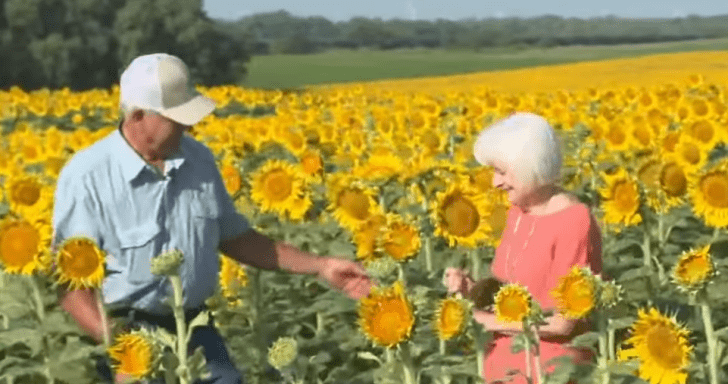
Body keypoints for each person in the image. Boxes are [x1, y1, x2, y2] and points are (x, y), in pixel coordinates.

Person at [51, 53, 372, 384]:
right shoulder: (87, 175)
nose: (189, 125)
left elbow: (235, 238)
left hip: (195, 327)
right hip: (130, 331)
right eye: (176, 118)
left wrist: (321, 266)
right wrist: (120, 347)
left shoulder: (198, 159)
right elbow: (69, 286)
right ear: (137, 116)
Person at [444, 112, 603, 384]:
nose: (495, 182)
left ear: (532, 167)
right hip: (503, 363)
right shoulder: (518, 211)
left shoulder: (574, 221)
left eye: (502, 172)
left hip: (550, 369)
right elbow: (515, 290)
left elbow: (563, 323)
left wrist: (482, 319)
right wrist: (471, 290)